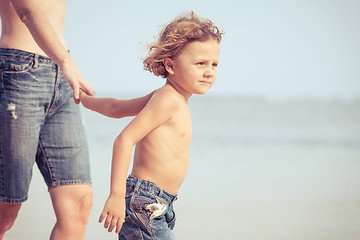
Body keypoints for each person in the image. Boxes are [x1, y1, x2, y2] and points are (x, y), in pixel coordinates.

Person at [79, 11, 224, 239]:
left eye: (214, 64)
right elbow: (124, 140)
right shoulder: (168, 100)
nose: (209, 72)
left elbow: (117, 109)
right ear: (170, 65)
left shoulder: (168, 97)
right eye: (200, 63)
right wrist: (115, 195)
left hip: (158, 204)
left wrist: (85, 100)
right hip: (146, 203)